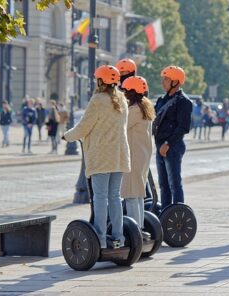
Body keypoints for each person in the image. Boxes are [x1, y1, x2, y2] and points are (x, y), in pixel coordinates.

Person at [62, 65, 130, 249]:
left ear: (101, 81)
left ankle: (99, 239)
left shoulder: (98, 99)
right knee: (115, 197)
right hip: (119, 155)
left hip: (102, 156)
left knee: (100, 198)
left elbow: (84, 126)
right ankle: (118, 238)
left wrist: (67, 136)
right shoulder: (122, 99)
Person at [152, 66, 192, 211]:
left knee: (174, 183)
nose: (163, 82)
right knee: (163, 184)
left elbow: (183, 127)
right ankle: (166, 214)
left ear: (175, 82)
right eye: (163, 79)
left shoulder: (183, 101)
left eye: (166, 79)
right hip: (160, 146)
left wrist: (167, 144)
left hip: (172, 147)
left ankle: (178, 215)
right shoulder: (162, 100)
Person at [120, 76, 155, 231]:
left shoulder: (134, 110)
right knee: (138, 195)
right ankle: (139, 228)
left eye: (125, 91)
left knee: (131, 196)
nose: (123, 93)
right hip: (142, 156)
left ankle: (136, 231)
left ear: (132, 92)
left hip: (134, 157)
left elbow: (120, 126)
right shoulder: (145, 106)